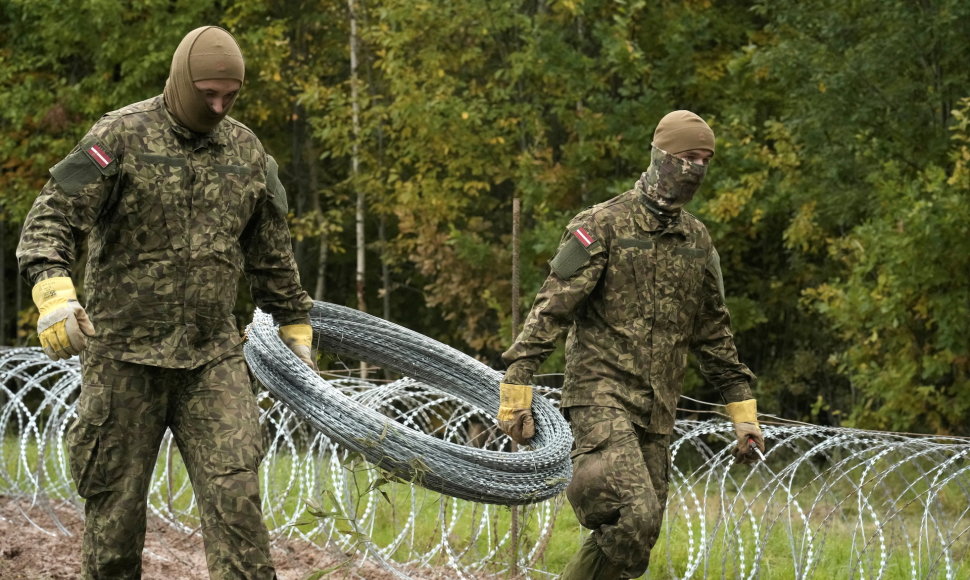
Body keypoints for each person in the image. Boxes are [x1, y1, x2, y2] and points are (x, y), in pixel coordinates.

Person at [16, 26, 316, 579]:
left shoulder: (248, 152)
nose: (220, 106)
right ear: (181, 80)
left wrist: (294, 323)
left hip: (211, 359)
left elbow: (271, 254)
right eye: (208, 95)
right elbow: (52, 214)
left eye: (231, 95)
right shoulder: (120, 135)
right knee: (114, 522)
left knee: (238, 503)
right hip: (123, 359)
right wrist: (54, 293)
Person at [497, 110, 765, 579]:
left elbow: (715, 336)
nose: (695, 169)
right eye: (686, 157)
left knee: (636, 537)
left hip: (657, 411)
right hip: (600, 399)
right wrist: (517, 383)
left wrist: (743, 416)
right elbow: (551, 307)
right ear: (660, 156)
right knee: (636, 513)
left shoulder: (697, 241)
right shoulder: (601, 224)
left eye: (705, 159)